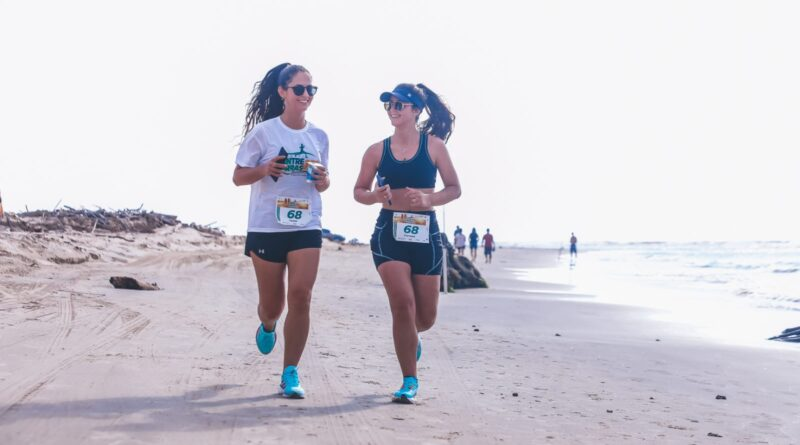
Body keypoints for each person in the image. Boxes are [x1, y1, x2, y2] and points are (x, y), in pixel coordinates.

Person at [354, 83, 460, 403]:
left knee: (424, 319)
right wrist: (374, 196)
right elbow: (359, 191)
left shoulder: (435, 147)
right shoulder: (376, 150)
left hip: (425, 234)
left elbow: (454, 188)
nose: (393, 109)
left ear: (415, 110)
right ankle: (409, 381)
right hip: (389, 234)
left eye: (400, 105)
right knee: (403, 305)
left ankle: (411, 338)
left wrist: (429, 197)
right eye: (390, 105)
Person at [232, 63, 330, 399]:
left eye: (311, 90)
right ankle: (269, 324)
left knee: (301, 296)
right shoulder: (264, 133)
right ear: (283, 93)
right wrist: (264, 169)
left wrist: (324, 180)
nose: (306, 95)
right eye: (299, 89)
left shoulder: (318, 137)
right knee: (272, 305)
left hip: (306, 225)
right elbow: (238, 176)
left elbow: (324, 183)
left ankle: (290, 373)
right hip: (266, 226)